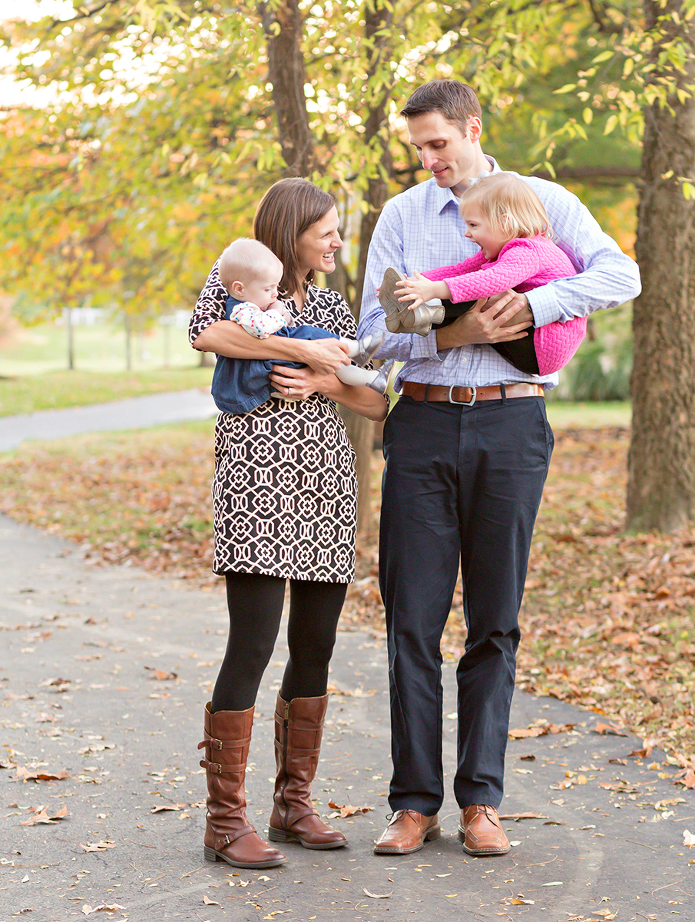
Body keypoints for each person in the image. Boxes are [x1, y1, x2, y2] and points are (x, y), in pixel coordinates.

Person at [358, 80, 641, 858]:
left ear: (473, 128)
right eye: (417, 148)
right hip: (420, 425)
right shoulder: (403, 217)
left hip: (513, 423)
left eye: (439, 144)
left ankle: (481, 799)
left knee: (496, 619)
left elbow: (623, 276)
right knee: (411, 620)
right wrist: (452, 337)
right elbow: (372, 335)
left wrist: (540, 309)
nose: (428, 160)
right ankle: (412, 803)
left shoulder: (543, 203)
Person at [189, 178, 388, 870]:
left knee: (315, 644)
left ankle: (292, 802)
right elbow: (206, 333)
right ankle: (224, 819)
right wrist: (304, 351)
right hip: (258, 481)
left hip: (325, 484)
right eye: (327, 230)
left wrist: (328, 380)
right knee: (253, 642)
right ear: (292, 229)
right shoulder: (241, 282)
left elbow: (374, 405)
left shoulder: (333, 302)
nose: (337, 241)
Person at [378, 172, 587, 377]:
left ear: (505, 223)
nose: (467, 233)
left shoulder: (529, 251)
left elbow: (491, 281)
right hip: (533, 338)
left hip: (541, 347)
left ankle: (423, 315)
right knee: (471, 280)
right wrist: (413, 283)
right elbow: (460, 270)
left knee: (481, 288)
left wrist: (432, 290)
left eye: (473, 225)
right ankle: (415, 312)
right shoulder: (501, 250)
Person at [211, 236, 391, 414]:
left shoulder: (331, 302)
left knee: (334, 360)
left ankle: (370, 376)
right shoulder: (244, 291)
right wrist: (278, 313)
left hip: (323, 436)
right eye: (326, 234)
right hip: (265, 380)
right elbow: (256, 328)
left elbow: (379, 408)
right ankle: (356, 350)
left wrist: (322, 382)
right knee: (309, 334)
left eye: (276, 287)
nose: (275, 294)